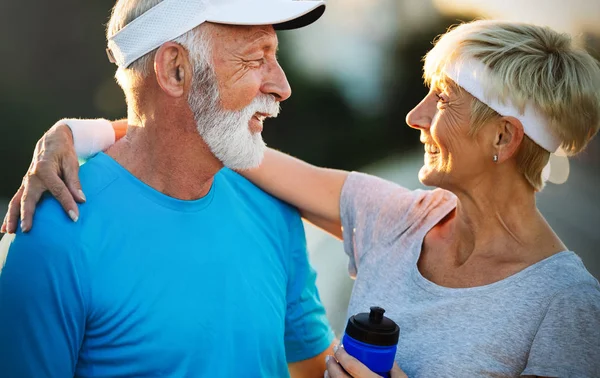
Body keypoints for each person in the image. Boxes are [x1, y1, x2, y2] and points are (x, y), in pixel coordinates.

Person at [3, 19, 600, 378]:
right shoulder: (395, 221)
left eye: (441, 101)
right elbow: (210, 137)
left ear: (503, 137)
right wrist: (77, 133)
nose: (414, 117)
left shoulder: (565, 307)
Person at [0, 0, 338, 377]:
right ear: (176, 70)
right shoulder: (55, 236)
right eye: (255, 59)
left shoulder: (273, 208)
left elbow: (313, 369)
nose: (282, 87)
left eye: (273, 56)